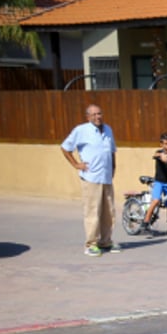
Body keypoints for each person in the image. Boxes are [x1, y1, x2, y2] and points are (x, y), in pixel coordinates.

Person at [61, 104, 117, 256]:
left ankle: (105, 241)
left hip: (106, 177)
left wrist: (113, 167)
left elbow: (112, 150)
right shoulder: (81, 130)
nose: (98, 117)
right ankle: (91, 244)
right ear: (88, 117)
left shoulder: (108, 130)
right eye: (94, 115)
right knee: (93, 212)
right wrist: (76, 164)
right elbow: (65, 147)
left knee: (108, 212)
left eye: (99, 114)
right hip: (91, 177)